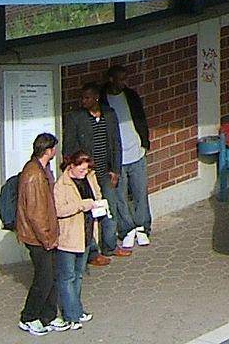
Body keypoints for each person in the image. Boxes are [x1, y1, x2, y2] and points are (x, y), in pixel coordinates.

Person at [59, 85, 128, 262]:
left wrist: (116, 170)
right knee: (90, 211)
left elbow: (116, 144)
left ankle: (110, 246)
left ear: (96, 98)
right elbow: (69, 146)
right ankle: (93, 252)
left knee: (109, 207)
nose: (84, 102)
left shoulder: (109, 115)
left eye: (87, 98)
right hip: (86, 173)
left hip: (105, 171)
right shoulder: (76, 118)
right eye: (82, 98)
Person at [14, 132, 61, 336]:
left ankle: (48, 316)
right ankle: (29, 316)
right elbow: (35, 213)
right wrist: (47, 238)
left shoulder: (42, 170)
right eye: (54, 148)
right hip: (37, 236)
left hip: (43, 234)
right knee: (43, 278)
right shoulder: (34, 175)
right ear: (48, 150)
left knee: (50, 276)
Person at [100, 64, 153, 248]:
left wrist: (145, 142)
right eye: (120, 79)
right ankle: (126, 229)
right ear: (111, 79)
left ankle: (142, 227)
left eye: (125, 79)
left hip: (136, 151)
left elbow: (140, 118)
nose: (124, 83)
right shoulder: (103, 99)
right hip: (117, 158)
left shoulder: (130, 95)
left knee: (140, 192)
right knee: (120, 196)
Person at [53, 151, 105, 329]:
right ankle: (71, 315)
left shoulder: (90, 177)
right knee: (67, 276)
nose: (84, 172)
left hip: (87, 233)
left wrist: (99, 204)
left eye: (86, 169)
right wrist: (83, 205)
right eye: (81, 170)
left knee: (79, 274)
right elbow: (59, 210)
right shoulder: (62, 185)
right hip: (69, 237)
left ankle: (77, 309)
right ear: (71, 167)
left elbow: (96, 194)